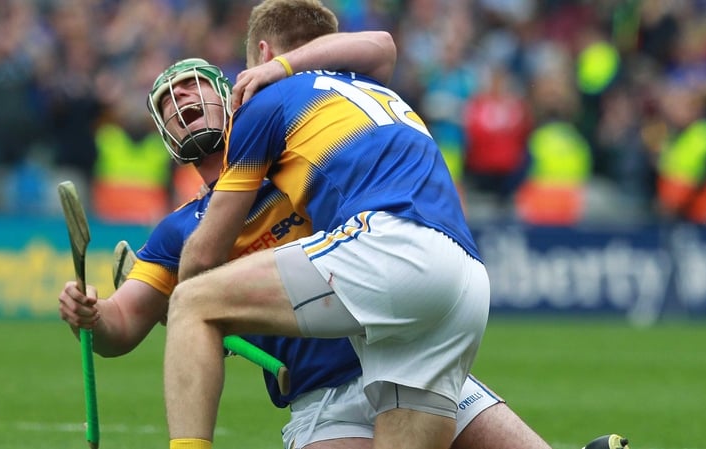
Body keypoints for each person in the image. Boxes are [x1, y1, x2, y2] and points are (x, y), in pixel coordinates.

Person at [60, 42, 625, 449]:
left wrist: (197, 299)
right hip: (322, 397)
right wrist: (91, 314)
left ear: (229, 95)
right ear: (165, 133)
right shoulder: (178, 231)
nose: (181, 99)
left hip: (395, 342)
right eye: (167, 101)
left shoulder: (291, 159)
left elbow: (377, 51)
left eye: (193, 86)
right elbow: (120, 327)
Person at [168, 1, 490, 448]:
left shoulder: (267, 102)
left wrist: (182, 305)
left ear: (263, 54)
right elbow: (383, 44)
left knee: (192, 302)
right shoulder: (370, 84)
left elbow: (204, 256)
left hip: (390, 248)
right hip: (466, 280)